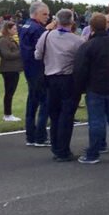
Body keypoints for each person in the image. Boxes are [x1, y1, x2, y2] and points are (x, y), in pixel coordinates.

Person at [74, 13, 109, 164]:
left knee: (96, 121)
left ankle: (94, 152)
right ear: (106, 25)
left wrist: (81, 87)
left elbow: (80, 69)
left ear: (91, 27)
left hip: (95, 87)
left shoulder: (87, 46)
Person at [35, 9, 85, 162]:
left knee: (54, 114)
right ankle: (63, 150)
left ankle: (56, 147)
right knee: (67, 115)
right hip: (68, 79)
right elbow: (81, 62)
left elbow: (37, 55)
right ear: (72, 22)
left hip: (50, 78)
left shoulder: (46, 35)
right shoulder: (78, 41)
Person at [20, 1, 51, 147]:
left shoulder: (25, 26)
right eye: (44, 14)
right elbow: (43, 49)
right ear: (36, 13)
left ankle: (30, 135)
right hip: (39, 69)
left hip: (29, 69)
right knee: (44, 102)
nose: (47, 17)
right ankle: (40, 136)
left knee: (32, 103)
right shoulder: (38, 29)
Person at [0, 21, 23, 121]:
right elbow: (6, 55)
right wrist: (21, 52)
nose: (16, 30)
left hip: (14, 68)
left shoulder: (10, 40)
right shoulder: (3, 41)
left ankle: (8, 113)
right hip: (9, 69)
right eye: (14, 29)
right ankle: (7, 114)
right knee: (9, 92)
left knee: (11, 91)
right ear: (8, 29)